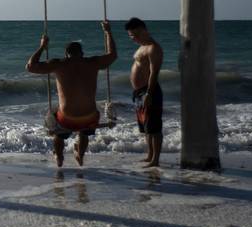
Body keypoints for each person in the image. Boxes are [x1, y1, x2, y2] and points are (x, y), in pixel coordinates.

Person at [27, 21, 117, 167]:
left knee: (58, 130)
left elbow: (30, 67)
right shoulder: (92, 62)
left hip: (67, 117)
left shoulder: (59, 64)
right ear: (82, 54)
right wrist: (108, 32)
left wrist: (42, 46)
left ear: (66, 54)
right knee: (84, 130)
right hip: (89, 116)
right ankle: (80, 155)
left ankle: (59, 156)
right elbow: (112, 55)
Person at [126, 17, 163, 167]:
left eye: (136, 35)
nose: (133, 38)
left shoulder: (153, 48)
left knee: (154, 127)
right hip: (139, 92)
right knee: (146, 127)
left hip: (149, 91)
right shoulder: (141, 47)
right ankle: (149, 155)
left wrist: (149, 93)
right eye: (131, 36)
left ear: (144, 30)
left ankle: (155, 160)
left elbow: (154, 73)